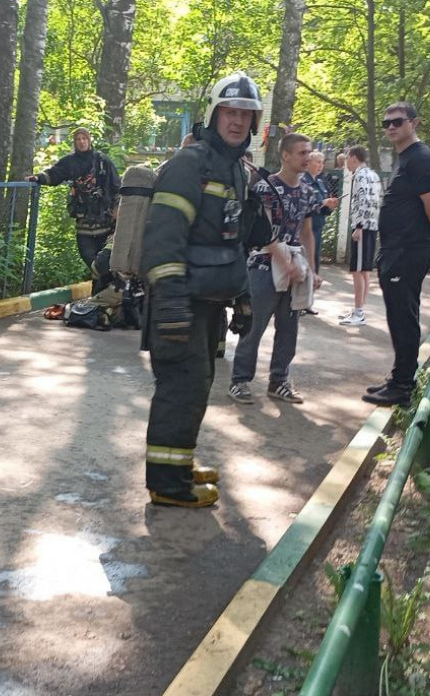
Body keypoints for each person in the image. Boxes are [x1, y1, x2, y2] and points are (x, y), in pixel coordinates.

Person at [140, 71, 270, 508]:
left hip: (208, 300)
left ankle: (177, 465)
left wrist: (244, 295)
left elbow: (231, 242)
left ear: (254, 122)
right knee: (181, 385)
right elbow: (163, 238)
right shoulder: (189, 164)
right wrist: (172, 302)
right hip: (181, 300)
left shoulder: (234, 168)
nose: (236, 121)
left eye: (245, 114)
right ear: (214, 114)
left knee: (197, 384)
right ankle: (167, 485)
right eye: (230, 112)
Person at [362, 103, 430, 407]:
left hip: (406, 251)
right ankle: (398, 377)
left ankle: (402, 386)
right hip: (398, 250)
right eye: (386, 123)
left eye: (397, 122)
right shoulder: (406, 159)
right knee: (398, 316)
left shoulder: (421, 160)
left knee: (403, 318)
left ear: (414, 123)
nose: (390, 127)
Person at [228, 133, 323, 407]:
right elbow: (264, 233)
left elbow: (306, 232)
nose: (308, 158)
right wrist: (285, 264)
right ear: (286, 155)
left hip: (295, 267)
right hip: (263, 265)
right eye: (302, 153)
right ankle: (240, 380)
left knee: (289, 327)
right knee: (254, 325)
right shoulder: (266, 188)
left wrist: (311, 268)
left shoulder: (307, 191)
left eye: (309, 152)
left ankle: (278, 380)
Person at [26, 127, 121, 288]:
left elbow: (116, 186)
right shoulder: (70, 161)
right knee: (89, 258)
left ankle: (100, 298)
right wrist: (38, 178)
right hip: (83, 222)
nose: (81, 142)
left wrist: (117, 209)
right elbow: (55, 174)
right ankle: (104, 290)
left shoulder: (103, 161)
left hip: (105, 221)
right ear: (75, 142)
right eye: (78, 139)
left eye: (84, 139)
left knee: (103, 262)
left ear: (89, 141)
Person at [339, 146, 383, 326]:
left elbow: (363, 201)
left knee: (357, 270)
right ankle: (359, 308)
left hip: (362, 227)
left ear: (354, 158)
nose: (345, 163)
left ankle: (358, 313)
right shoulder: (373, 175)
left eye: (347, 158)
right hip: (371, 226)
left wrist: (358, 227)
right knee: (364, 270)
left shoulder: (360, 175)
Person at [304, 151, 341, 280]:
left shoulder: (320, 182)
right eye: (318, 162)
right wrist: (322, 203)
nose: (321, 166)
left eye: (322, 163)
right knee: (305, 260)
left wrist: (329, 206)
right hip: (305, 229)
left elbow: (324, 207)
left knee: (314, 259)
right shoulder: (303, 181)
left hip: (318, 228)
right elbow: (305, 205)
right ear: (308, 163)